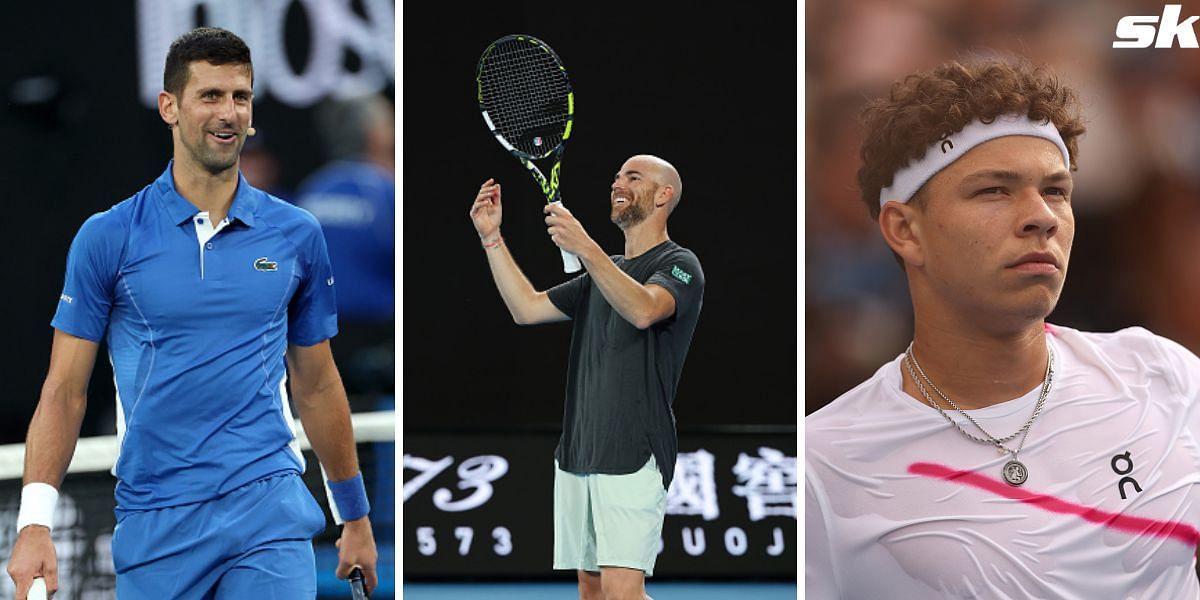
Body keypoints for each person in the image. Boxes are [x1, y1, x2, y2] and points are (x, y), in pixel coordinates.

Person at [805, 58, 1200, 598]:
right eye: (994, 190)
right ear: (905, 229)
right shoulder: (822, 465)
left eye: (1057, 190)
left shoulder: (1163, 372)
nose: (1042, 216)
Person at [6, 27, 377, 599]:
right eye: (210, 95)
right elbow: (64, 393)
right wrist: (34, 523)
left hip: (268, 511)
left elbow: (318, 383)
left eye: (241, 97)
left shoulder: (297, 234)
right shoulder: (107, 237)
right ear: (169, 107)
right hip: (157, 523)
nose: (228, 113)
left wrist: (354, 516)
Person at [470, 154, 704, 600]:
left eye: (633, 177)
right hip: (579, 448)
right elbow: (526, 309)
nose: (618, 182)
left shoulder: (681, 263)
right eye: (616, 175)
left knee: (621, 593)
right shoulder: (602, 272)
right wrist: (492, 239)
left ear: (663, 195)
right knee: (592, 591)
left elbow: (644, 310)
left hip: (634, 448)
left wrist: (585, 247)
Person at [293, 93, 395, 403]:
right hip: (378, 339)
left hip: (313, 341)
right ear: (375, 134)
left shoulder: (311, 190)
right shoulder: (385, 191)